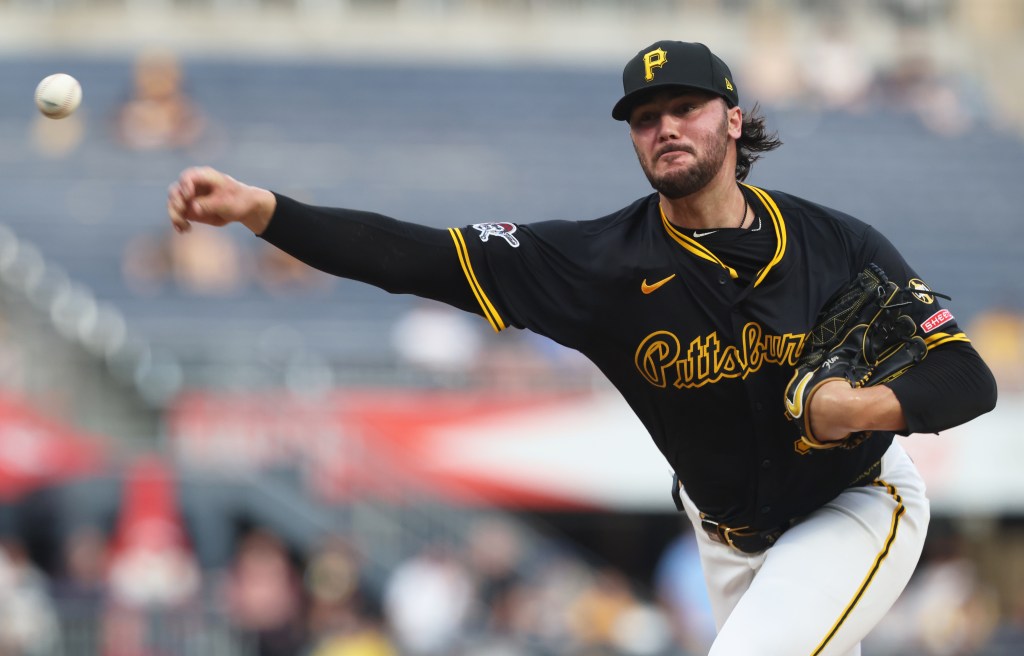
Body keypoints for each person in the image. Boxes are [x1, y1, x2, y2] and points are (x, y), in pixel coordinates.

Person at [167, 40, 997, 655]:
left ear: (734, 121)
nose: (665, 127)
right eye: (646, 118)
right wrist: (261, 208)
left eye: (687, 108)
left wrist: (862, 407)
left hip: (854, 500)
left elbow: (967, 376)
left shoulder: (834, 245)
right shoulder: (596, 263)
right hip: (726, 534)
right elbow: (412, 256)